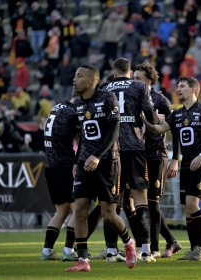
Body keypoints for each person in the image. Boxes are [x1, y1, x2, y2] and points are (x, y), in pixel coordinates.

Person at [65, 65, 137, 272]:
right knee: (79, 209)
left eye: (79, 76)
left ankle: (128, 242)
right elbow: (83, 138)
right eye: (75, 75)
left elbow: (114, 132)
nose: (74, 79)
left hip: (107, 162)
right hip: (85, 164)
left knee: (108, 213)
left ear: (92, 80)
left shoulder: (108, 99)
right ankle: (83, 261)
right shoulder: (77, 104)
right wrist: (76, 162)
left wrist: (97, 155)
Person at [142, 76, 201, 261]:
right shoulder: (177, 114)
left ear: (193, 90)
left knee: (192, 203)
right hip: (187, 164)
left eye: (182, 86)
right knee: (187, 208)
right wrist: (143, 118)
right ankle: (193, 249)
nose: (178, 89)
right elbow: (159, 130)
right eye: (178, 86)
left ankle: (200, 248)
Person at [100, 58, 160, 263]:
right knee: (141, 198)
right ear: (130, 71)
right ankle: (145, 251)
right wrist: (149, 122)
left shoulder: (105, 88)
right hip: (134, 147)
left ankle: (110, 251)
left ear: (114, 72)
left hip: (111, 150)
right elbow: (151, 115)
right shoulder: (140, 86)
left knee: (112, 202)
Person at [133, 62, 182, 258]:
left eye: (138, 79)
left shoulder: (160, 100)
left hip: (156, 154)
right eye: (133, 78)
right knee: (141, 203)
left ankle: (152, 247)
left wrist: (175, 159)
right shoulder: (131, 99)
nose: (134, 82)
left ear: (149, 81)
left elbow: (175, 130)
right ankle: (169, 241)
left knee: (152, 202)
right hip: (137, 155)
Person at [40, 90, 79, 262]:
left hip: (51, 165)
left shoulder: (57, 107)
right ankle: (69, 251)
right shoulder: (73, 112)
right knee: (78, 210)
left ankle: (47, 251)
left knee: (61, 211)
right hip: (65, 166)